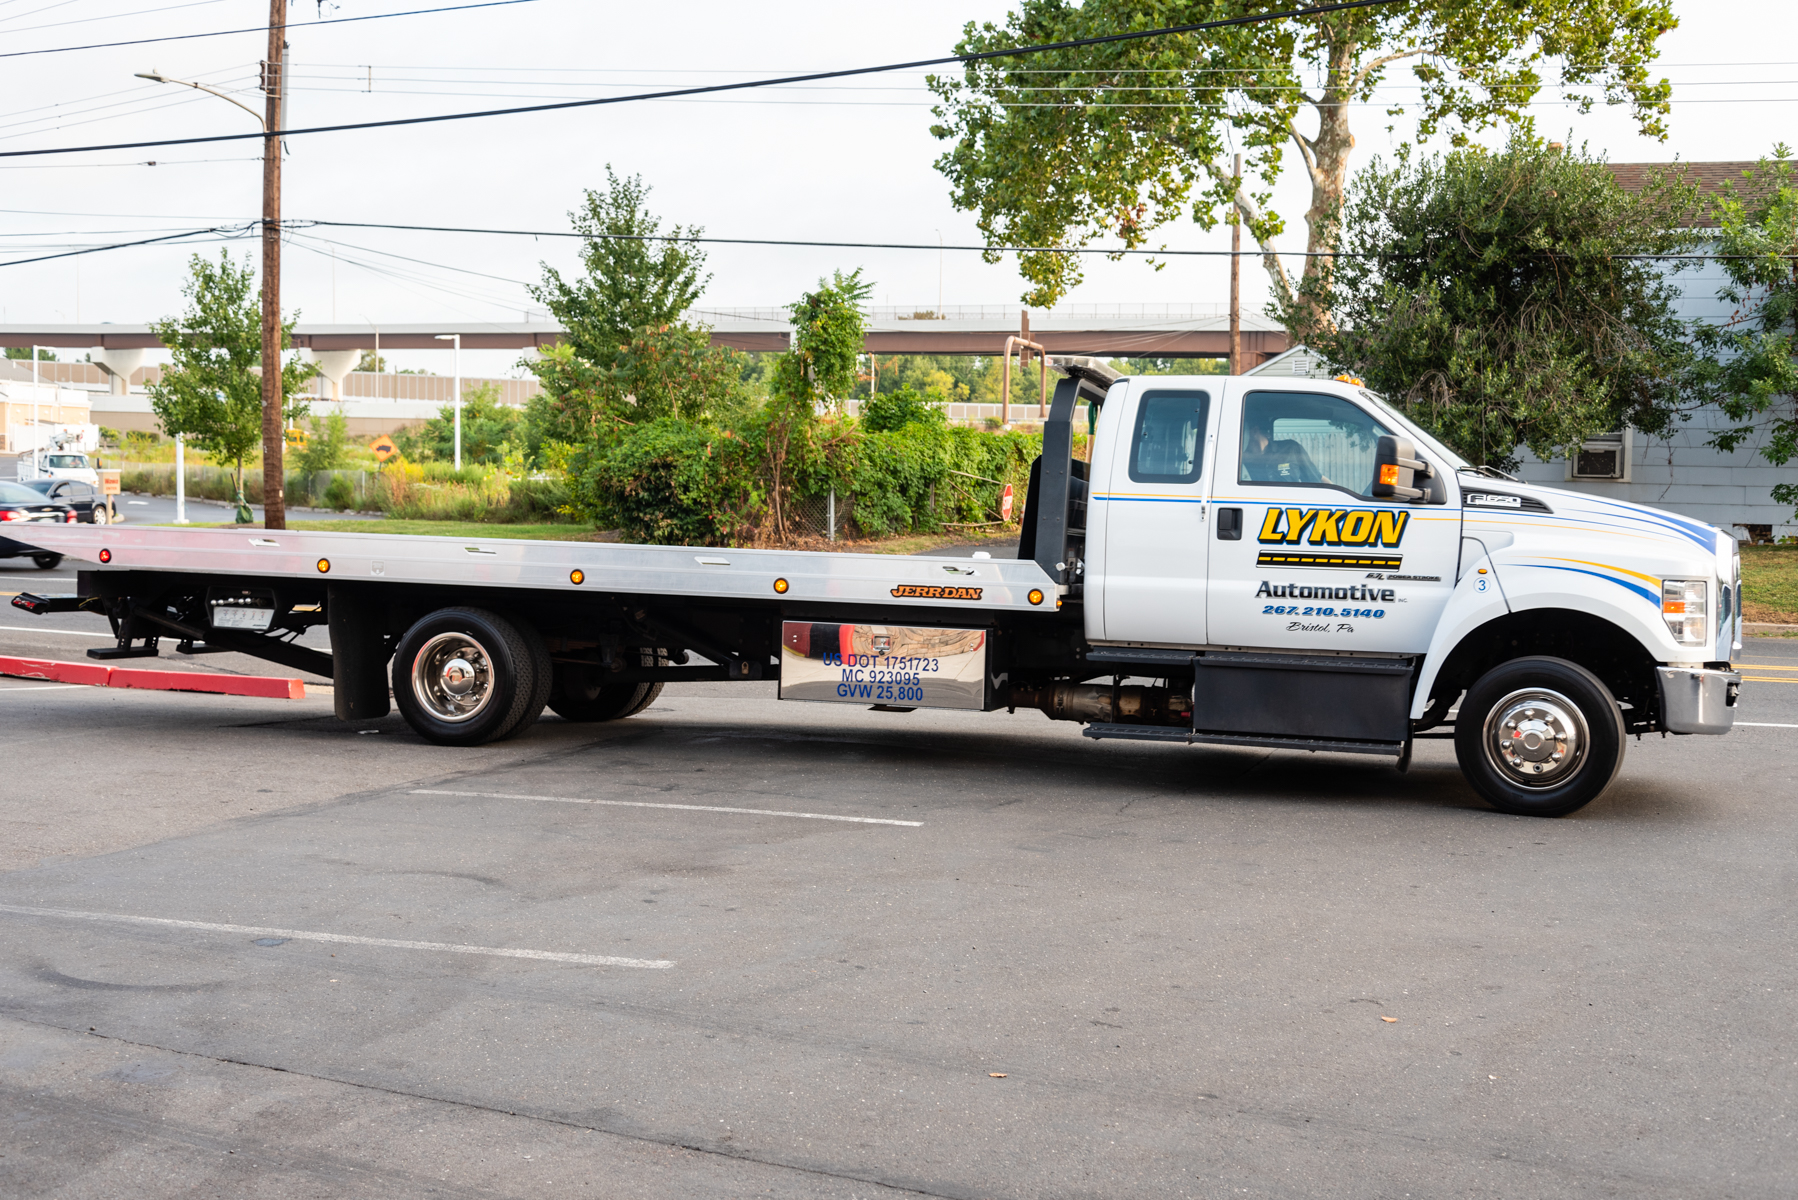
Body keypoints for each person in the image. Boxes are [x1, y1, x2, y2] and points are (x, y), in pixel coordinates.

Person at [1240, 409, 1328, 484]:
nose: (1238, 436)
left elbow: (1316, 479)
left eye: (1242, 431)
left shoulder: (1291, 448)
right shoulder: (1239, 460)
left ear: (1254, 431)